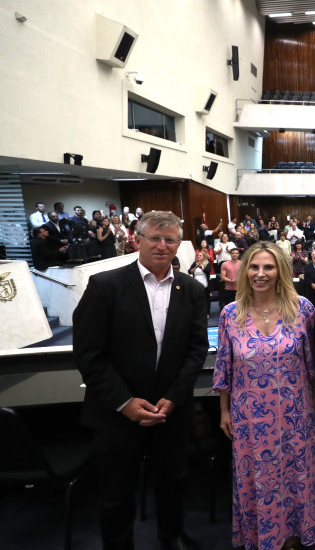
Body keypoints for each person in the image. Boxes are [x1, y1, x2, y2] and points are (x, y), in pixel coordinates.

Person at [73, 211, 208, 550]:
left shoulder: (191, 289)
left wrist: (175, 397)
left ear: (179, 245)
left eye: (170, 240)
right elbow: (89, 354)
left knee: (173, 482)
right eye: (154, 238)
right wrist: (125, 403)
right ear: (138, 240)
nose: (162, 246)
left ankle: (170, 536)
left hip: (170, 411)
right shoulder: (106, 286)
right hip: (116, 412)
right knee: (116, 492)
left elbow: (197, 350)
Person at [214, 241, 315, 550]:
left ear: (281, 272)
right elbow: (224, 367)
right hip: (249, 417)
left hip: (295, 412)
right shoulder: (230, 314)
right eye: (254, 266)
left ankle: (292, 536)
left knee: (295, 476)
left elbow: (312, 361)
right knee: (257, 478)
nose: (260, 274)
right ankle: (262, 536)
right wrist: (223, 411)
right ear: (244, 270)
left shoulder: (302, 308)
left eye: (269, 267)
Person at [188, 250, 212, 318]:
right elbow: (189, 271)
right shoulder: (194, 263)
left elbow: (207, 270)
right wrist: (196, 267)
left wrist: (201, 267)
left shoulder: (207, 263)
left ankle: (207, 313)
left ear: (204, 257)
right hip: (196, 283)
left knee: (206, 299)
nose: (198, 256)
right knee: (196, 299)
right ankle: (197, 312)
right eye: (198, 255)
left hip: (205, 283)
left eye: (200, 255)